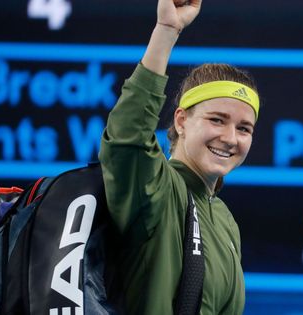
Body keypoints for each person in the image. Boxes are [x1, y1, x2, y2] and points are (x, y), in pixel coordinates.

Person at [98, 0, 260, 313]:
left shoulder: (225, 220)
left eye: (244, 128)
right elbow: (127, 135)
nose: (230, 138)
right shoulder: (156, 190)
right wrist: (167, 31)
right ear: (181, 121)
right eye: (217, 119)